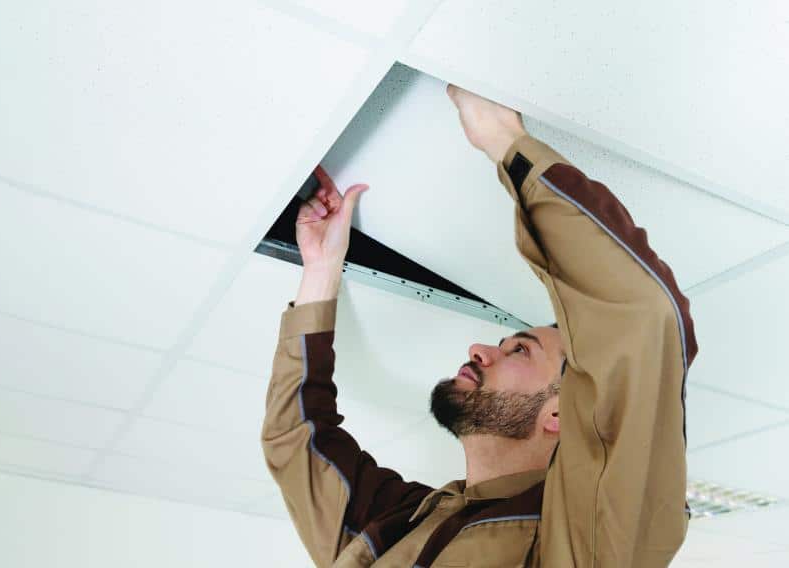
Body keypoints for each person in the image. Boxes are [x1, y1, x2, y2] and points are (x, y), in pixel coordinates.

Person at [261, 83, 697, 567]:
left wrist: (503, 142)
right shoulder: (403, 524)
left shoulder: (583, 546)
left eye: (519, 351)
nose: (478, 349)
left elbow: (292, 438)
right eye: (512, 347)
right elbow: (641, 317)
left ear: (559, 414)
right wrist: (323, 268)